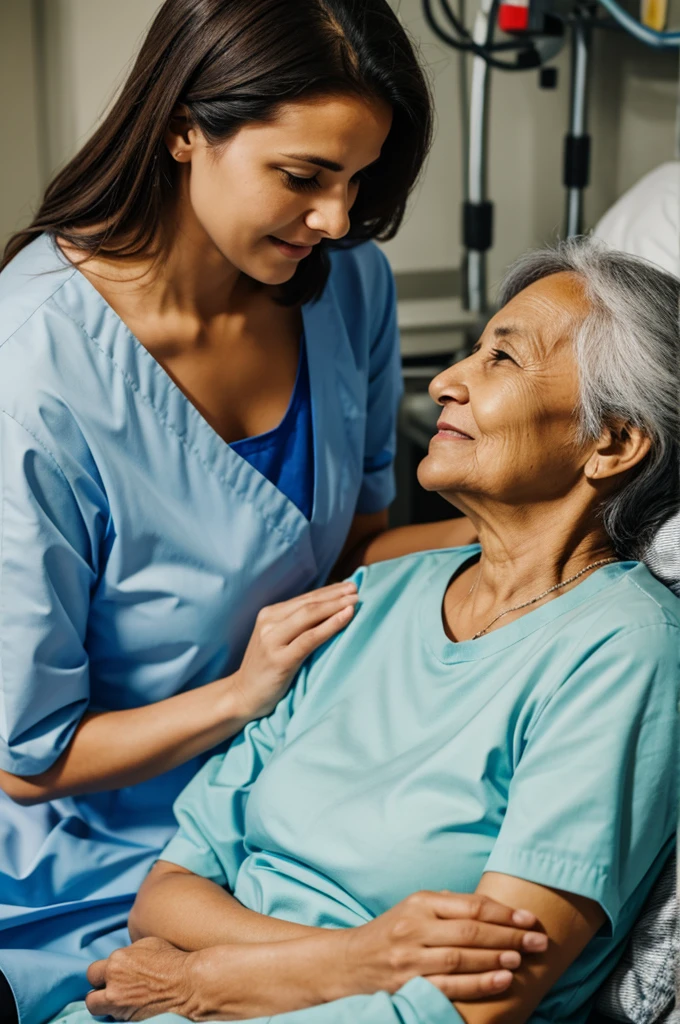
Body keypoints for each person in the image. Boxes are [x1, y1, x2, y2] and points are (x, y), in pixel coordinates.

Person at [55, 237, 679, 1024]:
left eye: (501, 361)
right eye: (471, 351)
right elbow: (166, 895)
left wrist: (206, 983)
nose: (448, 381)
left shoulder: (623, 652)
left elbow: (476, 1002)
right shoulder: (367, 599)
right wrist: (352, 958)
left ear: (613, 443)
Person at [0, 2, 480, 1022]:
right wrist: (241, 693)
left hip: (293, 791)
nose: (337, 220)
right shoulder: (34, 367)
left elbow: (348, 549)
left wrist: (527, 520)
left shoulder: (346, 285)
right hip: (98, 854)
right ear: (184, 127)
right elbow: (27, 762)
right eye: (303, 178)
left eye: (357, 181)